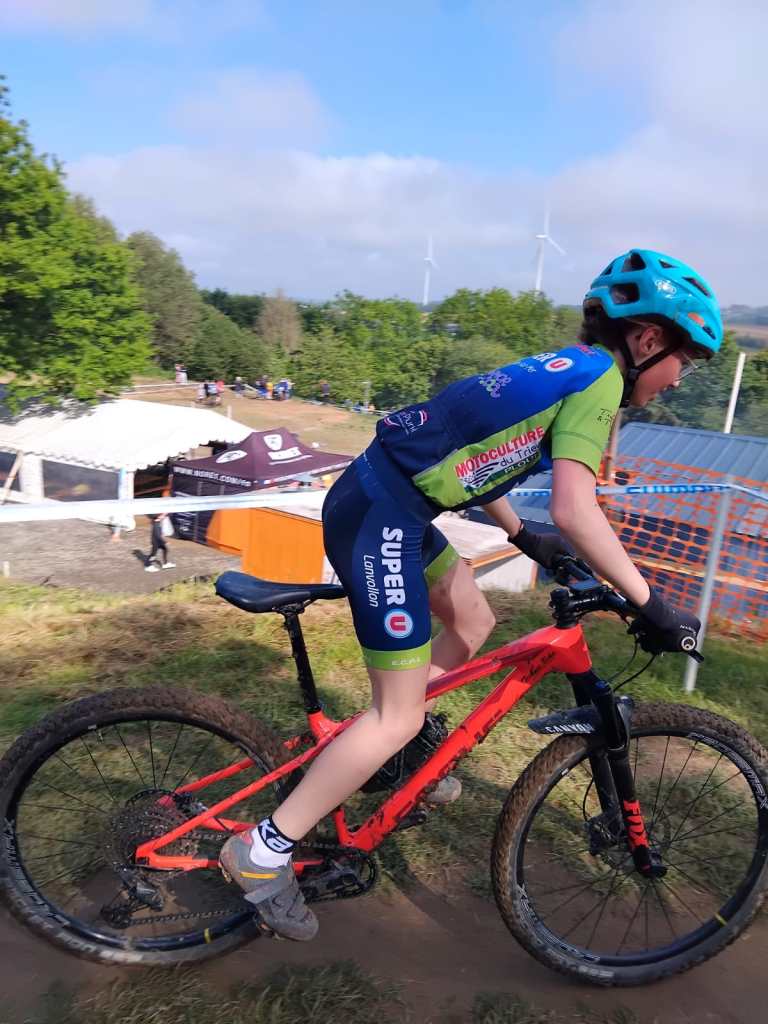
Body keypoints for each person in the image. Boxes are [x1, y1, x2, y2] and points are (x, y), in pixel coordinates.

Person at [220, 249, 722, 941]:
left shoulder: (569, 365)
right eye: (683, 361)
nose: (677, 379)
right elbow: (577, 509)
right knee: (395, 715)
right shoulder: (601, 382)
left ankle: (388, 753)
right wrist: (651, 603)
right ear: (646, 339)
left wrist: (521, 534)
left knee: (473, 618)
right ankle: (263, 851)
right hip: (384, 517)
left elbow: (478, 451)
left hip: (386, 499)